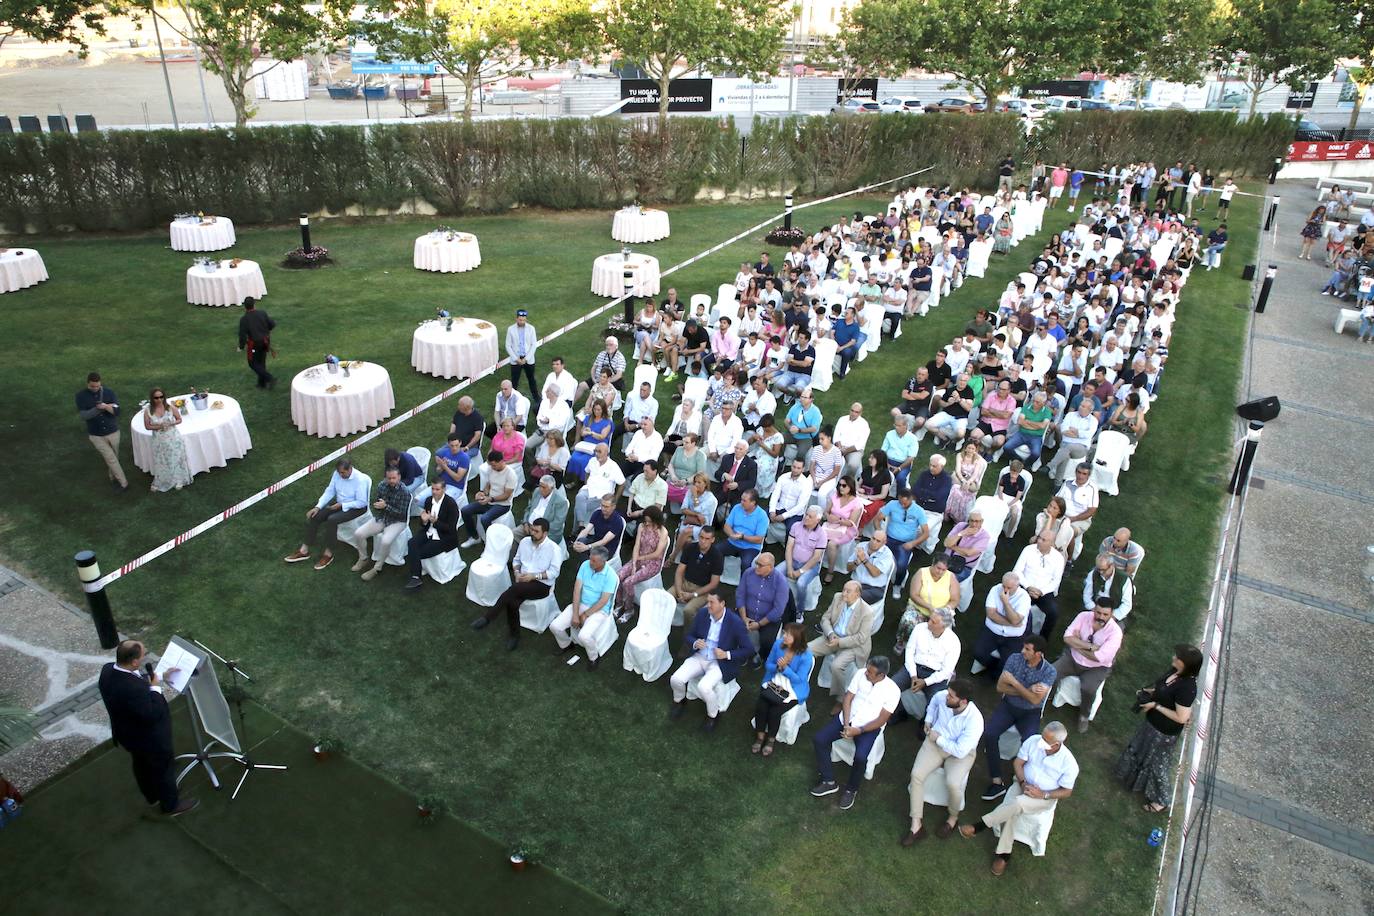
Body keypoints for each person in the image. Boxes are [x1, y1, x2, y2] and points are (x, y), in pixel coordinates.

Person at [960, 722, 1078, 876]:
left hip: (1043, 797)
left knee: (1016, 803)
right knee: (1014, 808)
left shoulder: (1069, 764)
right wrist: (1023, 783)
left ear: (1056, 744)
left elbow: (1067, 791)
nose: (1040, 741)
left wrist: (1043, 794)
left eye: (1045, 740)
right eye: (1042, 736)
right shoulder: (1033, 741)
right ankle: (1004, 855)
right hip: (1022, 783)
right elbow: (1018, 763)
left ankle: (979, 826)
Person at [98, 639, 197, 817]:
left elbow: (134, 680)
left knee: (141, 765)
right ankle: (171, 805)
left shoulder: (108, 670)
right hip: (148, 738)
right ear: (134, 662)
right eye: (143, 654)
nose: (145, 655)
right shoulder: (132, 689)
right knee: (163, 768)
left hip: (127, 734)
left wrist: (160, 676)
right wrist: (156, 689)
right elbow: (152, 713)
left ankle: (152, 796)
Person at [1115, 644, 1201, 812]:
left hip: (1164, 732)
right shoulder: (1175, 672)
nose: (1173, 658)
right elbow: (1163, 689)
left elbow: (1182, 717)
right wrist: (1148, 692)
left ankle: (1162, 801)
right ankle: (1133, 780)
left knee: (1158, 766)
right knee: (1139, 752)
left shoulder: (1187, 688)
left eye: (1178, 658)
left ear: (1186, 665)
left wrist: (1156, 706)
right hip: (1152, 723)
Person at [810, 656, 900, 810]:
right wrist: (846, 724)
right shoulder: (860, 674)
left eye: (870, 672)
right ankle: (828, 780)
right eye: (867, 669)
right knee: (819, 739)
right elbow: (848, 698)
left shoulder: (893, 691)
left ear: (881, 675)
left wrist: (859, 730)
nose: (866, 673)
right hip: (847, 718)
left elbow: (882, 719)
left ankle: (851, 789)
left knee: (860, 757)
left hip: (868, 728)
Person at [902, 679, 983, 844]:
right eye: (948, 693)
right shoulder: (943, 696)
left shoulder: (975, 721)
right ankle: (916, 825)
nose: (947, 696)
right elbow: (933, 702)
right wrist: (928, 720)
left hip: (959, 754)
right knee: (916, 775)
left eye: (951, 696)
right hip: (935, 743)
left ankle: (953, 818)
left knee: (953, 783)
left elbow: (960, 750)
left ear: (963, 701)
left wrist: (938, 739)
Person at [979, 635, 1057, 802]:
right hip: (1008, 706)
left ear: (1038, 654)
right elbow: (1000, 687)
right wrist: (1027, 690)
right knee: (990, 734)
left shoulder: (1049, 671)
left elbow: (1035, 700)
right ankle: (996, 781)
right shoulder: (1015, 659)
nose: (1022, 651)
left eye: (1027, 649)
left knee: (1030, 744)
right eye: (1024, 647)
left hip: (1030, 713)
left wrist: (1014, 683)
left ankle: (1023, 781)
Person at [472, 517, 562, 651]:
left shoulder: (554, 549)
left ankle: (489, 617)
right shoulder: (525, 542)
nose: (532, 533)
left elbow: (554, 572)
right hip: (522, 581)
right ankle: (514, 635)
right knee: (512, 601)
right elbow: (516, 560)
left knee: (513, 590)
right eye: (532, 529)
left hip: (541, 585)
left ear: (545, 533)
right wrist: (516, 572)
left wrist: (533, 576)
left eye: (536, 531)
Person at [669, 592, 754, 732]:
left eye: (711, 602)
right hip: (699, 656)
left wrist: (726, 654)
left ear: (722, 604)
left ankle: (713, 716)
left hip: (719, 663)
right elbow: (689, 635)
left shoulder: (735, 622)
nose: (708, 605)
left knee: (704, 687)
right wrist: (695, 642)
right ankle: (679, 701)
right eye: (707, 601)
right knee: (676, 679)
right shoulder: (703, 614)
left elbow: (748, 649)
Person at [284, 458, 370, 569]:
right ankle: (304, 550)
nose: (340, 475)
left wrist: (342, 505)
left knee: (332, 520)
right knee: (316, 516)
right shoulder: (337, 474)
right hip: (339, 504)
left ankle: (328, 554)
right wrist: (318, 507)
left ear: (350, 469)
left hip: (356, 508)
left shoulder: (360, 480)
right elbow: (330, 491)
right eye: (339, 472)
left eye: (343, 473)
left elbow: (362, 502)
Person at [1053, 604, 1124, 732]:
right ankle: (1045, 696)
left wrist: (1077, 643)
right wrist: (1090, 647)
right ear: (1094, 610)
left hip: (1097, 667)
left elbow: (1099, 657)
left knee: (1088, 689)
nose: (1101, 617)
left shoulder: (1115, 632)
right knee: (1051, 672)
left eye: (1105, 614)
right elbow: (1067, 637)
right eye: (1098, 612)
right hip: (1072, 658)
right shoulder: (1083, 616)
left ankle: (1084, 715)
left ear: (1111, 614)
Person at [550, 547, 619, 669]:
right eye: (590, 558)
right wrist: (575, 614)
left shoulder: (611, 576)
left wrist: (585, 615)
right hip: (581, 603)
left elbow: (603, 601)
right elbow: (577, 590)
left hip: (599, 610)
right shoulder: (585, 565)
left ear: (603, 561)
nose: (590, 562)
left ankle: (594, 657)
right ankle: (566, 644)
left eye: (594, 561)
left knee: (584, 636)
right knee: (555, 626)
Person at [751, 622, 813, 757]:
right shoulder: (778, 644)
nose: (784, 636)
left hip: (793, 688)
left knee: (774, 711)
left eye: (788, 635)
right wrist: (778, 667)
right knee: (761, 706)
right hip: (775, 681)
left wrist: (785, 668)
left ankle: (771, 740)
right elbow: (768, 664)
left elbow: (799, 679)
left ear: (797, 639)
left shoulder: (806, 656)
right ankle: (760, 736)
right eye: (784, 633)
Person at [808, 581, 875, 702]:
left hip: (853, 646)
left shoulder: (867, 612)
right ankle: (801, 679)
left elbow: (861, 637)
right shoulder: (837, 597)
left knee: (836, 666)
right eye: (844, 590)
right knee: (807, 649)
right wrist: (831, 634)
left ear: (857, 594)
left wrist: (839, 642)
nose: (844, 594)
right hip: (832, 637)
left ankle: (841, 696)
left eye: (848, 591)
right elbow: (825, 618)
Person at [891, 607, 960, 724]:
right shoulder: (919, 628)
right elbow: (909, 651)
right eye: (930, 619)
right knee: (892, 686)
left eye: (933, 622)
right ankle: (897, 711)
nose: (928, 623)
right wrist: (913, 675)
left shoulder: (953, 642)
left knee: (936, 702)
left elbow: (946, 671)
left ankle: (925, 724)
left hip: (937, 676)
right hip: (914, 667)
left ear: (943, 626)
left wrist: (926, 682)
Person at [349, 466, 413, 581]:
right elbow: (375, 503)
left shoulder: (405, 492)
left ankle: (377, 568)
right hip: (382, 517)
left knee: (385, 541)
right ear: (385, 477)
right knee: (358, 533)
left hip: (398, 521)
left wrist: (386, 506)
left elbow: (402, 514)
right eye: (389, 478)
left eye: (394, 478)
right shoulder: (381, 486)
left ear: (399, 477)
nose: (391, 480)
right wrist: (377, 507)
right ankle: (363, 558)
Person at [971, 572, 1031, 676]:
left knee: (1009, 663)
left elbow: (1016, 620)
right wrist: (1012, 623)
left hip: (1013, 636)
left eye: (1009, 588)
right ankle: (992, 666)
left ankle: (997, 673)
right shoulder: (995, 590)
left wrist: (1006, 602)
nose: (1005, 590)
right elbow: (991, 614)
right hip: (992, 630)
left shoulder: (1024, 597)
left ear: (1017, 586)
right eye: (1004, 586)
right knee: (978, 652)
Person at [736, 551, 790, 664]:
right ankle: (739, 651)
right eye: (756, 563)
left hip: (767, 619)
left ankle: (761, 656)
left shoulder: (781, 582)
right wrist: (744, 617)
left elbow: (778, 610)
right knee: (730, 626)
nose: (757, 567)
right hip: (747, 613)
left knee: (767, 641)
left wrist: (759, 624)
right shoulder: (748, 573)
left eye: (760, 565)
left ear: (770, 567)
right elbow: (740, 595)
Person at [76, 372, 127, 490]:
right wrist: (98, 409)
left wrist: (106, 407)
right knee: (111, 458)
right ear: (87, 383)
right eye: (92, 386)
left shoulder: (109, 393)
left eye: (97, 386)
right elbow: (84, 415)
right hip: (96, 435)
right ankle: (124, 483)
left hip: (113, 431)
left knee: (114, 457)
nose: (95, 388)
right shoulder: (80, 396)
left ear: (100, 383)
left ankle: (112, 477)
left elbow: (117, 411)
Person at [404, 480, 460, 589]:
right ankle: (416, 577)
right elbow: (424, 523)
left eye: (437, 489)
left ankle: (416, 575)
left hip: (444, 537)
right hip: (428, 531)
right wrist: (424, 521)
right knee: (411, 543)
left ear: (444, 489)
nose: (434, 492)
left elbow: (451, 529)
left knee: (419, 552)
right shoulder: (428, 501)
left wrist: (435, 522)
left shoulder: (451, 504)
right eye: (433, 489)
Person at [615, 505, 667, 621]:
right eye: (645, 520)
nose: (647, 523)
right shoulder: (641, 526)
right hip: (638, 557)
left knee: (628, 582)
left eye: (649, 521)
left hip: (652, 563)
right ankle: (619, 603)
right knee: (619, 576)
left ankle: (629, 609)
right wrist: (634, 563)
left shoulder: (662, 532)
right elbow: (637, 545)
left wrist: (641, 557)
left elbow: (657, 554)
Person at [1012, 529, 1066, 637]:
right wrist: (1028, 587)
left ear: (1051, 543)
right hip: (1025, 587)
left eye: (1044, 540)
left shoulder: (1058, 558)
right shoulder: (1028, 550)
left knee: (1053, 613)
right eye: (1039, 538)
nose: (1039, 541)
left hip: (1044, 592)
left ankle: (1042, 640)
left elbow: (1056, 581)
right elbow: (1017, 571)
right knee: (1016, 605)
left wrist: (1041, 591)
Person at [459, 452, 518, 547]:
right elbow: (488, 485)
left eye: (494, 465)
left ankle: (491, 542)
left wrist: (490, 499)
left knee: (485, 518)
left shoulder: (510, 474)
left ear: (501, 461)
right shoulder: (491, 469)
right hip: (489, 500)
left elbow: (506, 495)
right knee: (465, 510)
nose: (492, 467)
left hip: (503, 505)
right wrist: (482, 493)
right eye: (491, 465)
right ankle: (474, 537)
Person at [141, 388, 192, 492]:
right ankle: (162, 480)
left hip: (173, 438)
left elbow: (179, 419)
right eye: (156, 398)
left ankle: (179, 479)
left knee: (176, 458)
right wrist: (159, 426)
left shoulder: (170, 408)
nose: (159, 399)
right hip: (159, 440)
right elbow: (147, 426)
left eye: (161, 397)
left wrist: (171, 423)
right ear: (152, 398)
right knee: (162, 461)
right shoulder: (148, 410)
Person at [881, 487, 930, 592]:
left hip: (905, 543)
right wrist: (880, 533)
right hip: (888, 538)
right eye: (900, 502)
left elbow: (926, 533)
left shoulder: (919, 511)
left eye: (905, 503)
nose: (902, 505)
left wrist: (913, 543)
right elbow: (878, 518)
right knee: (875, 555)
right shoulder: (892, 504)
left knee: (901, 565)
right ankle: (877, 579)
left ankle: (897, 585)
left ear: (911, 499)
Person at [670, 526, 723, 620]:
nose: (703, 541)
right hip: (685, 583)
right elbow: (679, 571)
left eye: (707, 539)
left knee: (688, 610)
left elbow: (713, 584)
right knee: (666, 597)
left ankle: (689, 629)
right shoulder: (690, 548)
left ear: (712, 540)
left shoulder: (717, 556)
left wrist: (693, 594)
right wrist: (678, 590)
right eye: (701, 537)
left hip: (703, 590)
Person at [784, 505, 828, 607]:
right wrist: (789, 567)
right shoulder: (796, 526)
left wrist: (800, 571)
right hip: (793, 560)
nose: (806, 517)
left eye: (810, 516)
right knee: (776, 572)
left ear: (817, 520)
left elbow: (816, 557)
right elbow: (789, 547)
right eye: (806, 514)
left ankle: (800, 608)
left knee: (801, 584)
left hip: (810, 566)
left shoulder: (822, 534)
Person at [1055, 463, 1099, 560]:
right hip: (1062, 514)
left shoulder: (1092, 488)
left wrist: (1072, 519)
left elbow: (1092, 511)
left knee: (1068, 532)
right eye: (1079, 472)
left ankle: (1069, 559)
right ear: (1075, 472)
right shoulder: (1068, 482)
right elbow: (1058, 498)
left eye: (1084, 474)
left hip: (1080, 520)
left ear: (1088, 475)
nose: (1080, 476)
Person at [1000, 390, 1053, 465]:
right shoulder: (1026, 407)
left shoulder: (1047, 412)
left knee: (1036, 454)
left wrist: (1028, 422)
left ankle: (1025, 465)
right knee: (1006, 447)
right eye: (1034, 401)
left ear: (1043, 403)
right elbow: (1020, 421)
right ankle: (1019, 460)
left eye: (1037, 402)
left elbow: (1042, 425)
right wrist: (1036, 426)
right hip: (1021, 434)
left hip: (1036, 437)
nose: (1034, 403)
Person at [721, 489, 768, 569]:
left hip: (751, 547)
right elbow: (726, 526)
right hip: (733, 541)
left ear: (753, 503)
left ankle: (745, 577)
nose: (741, 502)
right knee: (716, 550)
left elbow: (759, 539)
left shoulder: (762, 516)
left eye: (744, 501)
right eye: (741, 499)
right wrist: (732, 535)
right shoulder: (737, 507)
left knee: (746, 563)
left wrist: (742, 537)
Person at [236, 297, 276, 389]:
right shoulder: (262, 313)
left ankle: (269, 378)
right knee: (261, 362)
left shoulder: (244, 319)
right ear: (254, 304)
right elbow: (272, 324)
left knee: (252, 363)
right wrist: (265, 331)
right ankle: (261, 384)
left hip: (254, 344)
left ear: (245, 307)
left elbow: (242, 335)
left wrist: (241, 347)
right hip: (265, 341)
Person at [848, 530, 894, 606]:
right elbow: (848, 568)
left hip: (875, 588)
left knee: (853, 598)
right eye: (873, 538)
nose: (874, 542)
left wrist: (864, 560)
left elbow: (875, 573)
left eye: (878, 541)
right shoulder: (861, 546)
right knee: (841, 596)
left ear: (884, 543)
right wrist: (856, 562)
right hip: (856, 583)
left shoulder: (887, 554)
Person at [573, 494, 627, 559]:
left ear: (613, 507)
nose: (603, 509)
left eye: (606, 507)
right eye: (602, 505)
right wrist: (576, 541)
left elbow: (604, 541)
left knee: (591, 553)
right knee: (581, 541)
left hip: (606, 549)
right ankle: (585, 562)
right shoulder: (597, 513)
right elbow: (586, 530)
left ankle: (586, 562)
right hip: (595, 541)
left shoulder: (617, 521)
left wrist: (587, 547)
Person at [520, 475, 568, 544]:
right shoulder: (537, 491)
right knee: (512, 535)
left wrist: (537, 531)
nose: (540, 489)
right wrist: (525, 523)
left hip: (547, 533)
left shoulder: (561, 501)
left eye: (544, 487)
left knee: (533, 545)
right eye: (540, 486)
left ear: (552, 488)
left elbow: (557, 523)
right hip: (528, 526)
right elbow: (528, 508)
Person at [714, 439, 758, 509]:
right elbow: (717, 474)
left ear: (746, 451)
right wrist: (724, 474)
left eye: (740, 449)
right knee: (713, 503)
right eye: (736, 448)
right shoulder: (727, 458)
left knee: (736, 508)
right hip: (724, 489)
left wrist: (738, 485)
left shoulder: (751, 464)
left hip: (738, 493)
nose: (737, 450)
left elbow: (751, 482)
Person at [506, 308, 539, 400]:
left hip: (528, 359)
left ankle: (537, 398)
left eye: (524, 320)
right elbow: (508, 345)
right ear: (516, 319)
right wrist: (516, 359)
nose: (522, 322)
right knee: (514, 381)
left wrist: (526, 359)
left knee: (531, 379)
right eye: (520, 320)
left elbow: (533, 345)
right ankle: (511, 398)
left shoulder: (531, 329)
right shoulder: (510, 329)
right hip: (516, 360)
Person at [624, 460, 668, 528]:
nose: (644, 473)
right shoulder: (640, 477)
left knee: (639, 529)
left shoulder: (662, 485)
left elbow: (657, 507)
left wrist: (639, 513)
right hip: (634, 505)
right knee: (621, 520)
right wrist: (629, 508)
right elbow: (632, 493)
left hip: (649, 512)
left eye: (647, 471)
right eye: (644, 470)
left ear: (655, 471)